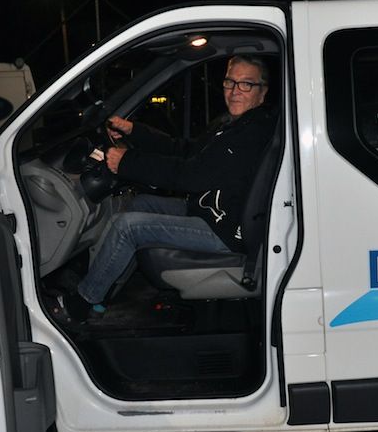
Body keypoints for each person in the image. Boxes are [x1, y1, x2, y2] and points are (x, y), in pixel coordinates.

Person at [68, 54, 276, 316]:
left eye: (245, 84)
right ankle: (106, 289)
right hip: (210, 211)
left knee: (127, 227)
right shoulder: (233, 125)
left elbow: (189, 175)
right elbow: (187, 151)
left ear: (262, 91)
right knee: (140, 203)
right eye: (229, 82)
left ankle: (83, 302)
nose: (235, 91)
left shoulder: (251, 133)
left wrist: (127, 162)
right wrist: (136, 132)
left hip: (224, 230)